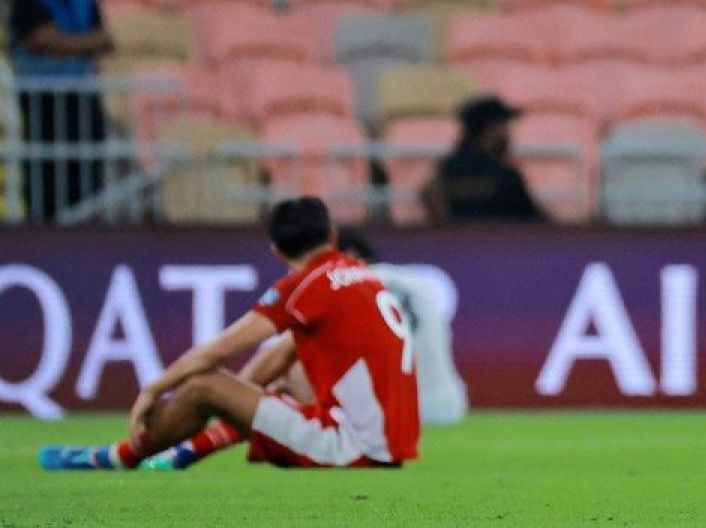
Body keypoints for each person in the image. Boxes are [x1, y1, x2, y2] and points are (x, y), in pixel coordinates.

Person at [38, 197, 420, 471]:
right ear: (332, 235)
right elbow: (283, 352)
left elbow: (216, 351)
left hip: (351, 446)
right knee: (285, 371)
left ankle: (121, 456)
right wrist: (241, 398)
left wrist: (153, 389)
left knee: (204, 385)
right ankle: (187, 451)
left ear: (275, 251)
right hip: (391, 442)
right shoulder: (359, 273)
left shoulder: (305, 287)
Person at [133, 227, 466, 471]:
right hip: (443, 409)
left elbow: (276, 354)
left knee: (292, 371)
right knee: (299, 381)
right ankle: (202, 442)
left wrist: (238, 398)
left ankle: (203, 440)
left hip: (382, 423)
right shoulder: (414, 283)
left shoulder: (343, 285)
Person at [8, 0, 113, 221]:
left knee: (87, 179)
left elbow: (105, 39)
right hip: (44, 108)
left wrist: (61, 43)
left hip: (82, 106)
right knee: (47, 180)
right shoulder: (26, 0)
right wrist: (83, 44)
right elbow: (41, 38)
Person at [422, 95, 546, 224]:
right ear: (490, 128)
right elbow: (538, 224)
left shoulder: (444, 172)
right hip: (502, 242)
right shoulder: (506, 175)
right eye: (503, 125)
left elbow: (433, 207)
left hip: (456, 243)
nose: (508, 133)